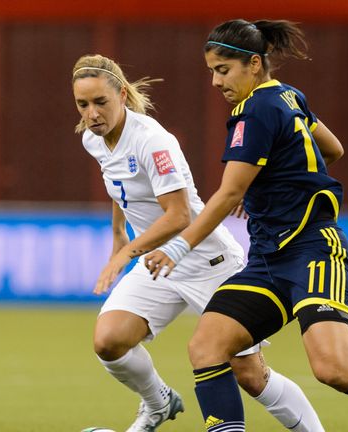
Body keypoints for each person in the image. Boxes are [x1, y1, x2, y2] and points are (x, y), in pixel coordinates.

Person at [144, 19, 348, 432]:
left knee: (334, 368)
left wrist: (177, 247)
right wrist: (275, 178)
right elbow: (332, 148)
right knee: (208, 345)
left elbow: (227, 195)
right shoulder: (287, 95)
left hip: (314, 251)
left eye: (223, 70)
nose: (214, 81)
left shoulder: (254, 110)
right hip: (268, 260)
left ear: (255, 64)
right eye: (211, 70)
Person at [72, 54, 324, 432]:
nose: (91, 113)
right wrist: (118, 233)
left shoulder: (153, 141)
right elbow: (119, 183)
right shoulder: (95, 138)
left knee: (250, 375)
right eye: (82, 104)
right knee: (108, 341)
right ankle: (158, 404)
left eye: (100, 102)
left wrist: (125, 252)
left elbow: (179, 216)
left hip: (207, 261)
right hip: (159, 263)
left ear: (122, 95)